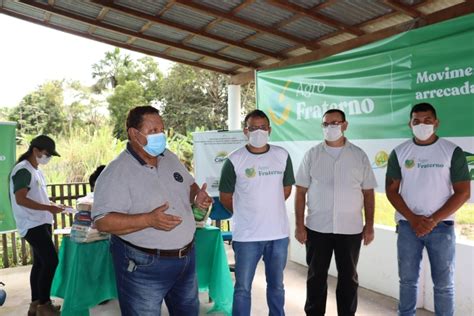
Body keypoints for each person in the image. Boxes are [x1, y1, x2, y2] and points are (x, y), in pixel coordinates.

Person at [91, 105, 212, 316]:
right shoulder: (117, 172)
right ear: (133, 134)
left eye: (161, 129)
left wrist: (197, 197)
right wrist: (148, 220)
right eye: (152, 130)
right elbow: (103, 221)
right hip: (143, 267)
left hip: (185, 260)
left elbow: (189, 186)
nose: (160, 135)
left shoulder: (169, 158)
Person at [385, 102, 470, 316]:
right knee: (407, 282)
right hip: (407, 227)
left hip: (442, 228)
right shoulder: (400, 152)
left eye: (427, 120)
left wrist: (432, 220)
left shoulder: (452, 151)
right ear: (410, 124)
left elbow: (463, 192)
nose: (422, 124)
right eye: (416, 121)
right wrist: (413, 219)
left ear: (437, 123)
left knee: (444, 285)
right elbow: (392, 191)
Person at [295, 109, 377, 316]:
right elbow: (301, 192)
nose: (330, 127)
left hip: (350, 229)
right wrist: (299, 226)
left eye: (335, 123)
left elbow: (368, 193)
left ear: (345, 125)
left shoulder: (359, 156)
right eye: (326, 124)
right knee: (316, 277)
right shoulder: (312, 155)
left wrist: (369, 226)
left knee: (349, 278)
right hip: (317, 227)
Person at [219, 109, 295, 316]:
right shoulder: (235, 159)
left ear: (269, 130)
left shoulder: (282, 155)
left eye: (263, 128)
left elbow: (286, 190)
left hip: (278, 235)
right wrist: (247, 212)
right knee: (243, 288)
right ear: (246, 131)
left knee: (277, 286)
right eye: (253, 128)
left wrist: (268, 206)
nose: (258, 132)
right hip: (247, 237)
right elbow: (225, 195)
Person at [9, 135, 64, 316]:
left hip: (41, 221)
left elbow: (36, 197)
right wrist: (48, 207)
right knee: (51, 261)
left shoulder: (35, 170)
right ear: (35, 150)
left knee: (40, 264)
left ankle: (36, 303)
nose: (47, 158)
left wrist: (53, 206)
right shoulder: (23, 170)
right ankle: (44, 305)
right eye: (46, 154)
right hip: (32, 224)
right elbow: (21, 199)